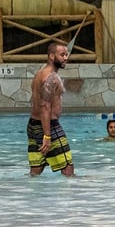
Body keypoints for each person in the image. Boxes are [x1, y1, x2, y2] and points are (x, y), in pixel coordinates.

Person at [28, 42, 75, 177]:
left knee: (36, 170)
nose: (66, 58)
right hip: (49, 126)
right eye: (62, 55)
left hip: (33, 125)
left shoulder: (39, 74)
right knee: (68, 169)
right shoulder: (50, 78)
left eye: (66, 54)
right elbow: (44, 106)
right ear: (51, 56)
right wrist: (47, 136)